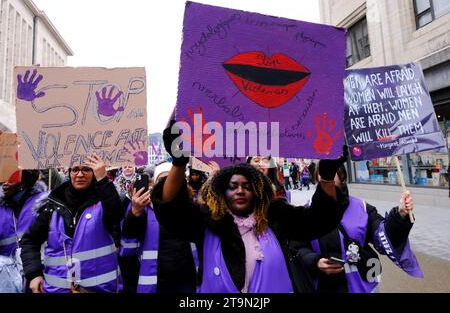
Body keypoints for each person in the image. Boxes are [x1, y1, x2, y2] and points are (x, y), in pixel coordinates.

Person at [150, 121, 348, 293]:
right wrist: (178, 162)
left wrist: (328, 177)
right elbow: (171, 209)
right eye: (232, 186)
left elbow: (318, 220)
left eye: (247, 186)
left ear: (257, 191)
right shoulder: (208, 220)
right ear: (222, 192)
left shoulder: (275, 214)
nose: (240, 191)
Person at [296, 164, 423, 293]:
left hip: (364, 287)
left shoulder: (361, 208)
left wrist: (399, 215)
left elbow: (382, 237)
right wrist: (314, 262)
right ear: (317, 177)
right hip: (324, 288)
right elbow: (298, 249)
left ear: (342, 176)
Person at [20, 153, 123, 293]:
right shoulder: (52, 206)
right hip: (56, 289)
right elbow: (29, 240)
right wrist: (34, 274)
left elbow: (116, 214)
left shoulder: (104, 201)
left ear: (94, 173)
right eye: (75, 169)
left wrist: (103, 179)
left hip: (98, 289)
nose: (80, 174)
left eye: (86, 169)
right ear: (69, 173)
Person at [121, 161, 198, 293]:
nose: (168, 184)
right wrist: (135, 212)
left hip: (188, 280)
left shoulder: (192, 205)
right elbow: (129, 239)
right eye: (162, 180)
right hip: (157, 282)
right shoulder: (144, 207)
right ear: (155, 184)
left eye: (173, 179)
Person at [0, 170, 47, 293]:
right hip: (6, 281)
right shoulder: (1, 207)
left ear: (24, 182)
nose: (5, 183)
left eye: (11, 179)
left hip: (38, 277)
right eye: (3, 178)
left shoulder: (44, 204)